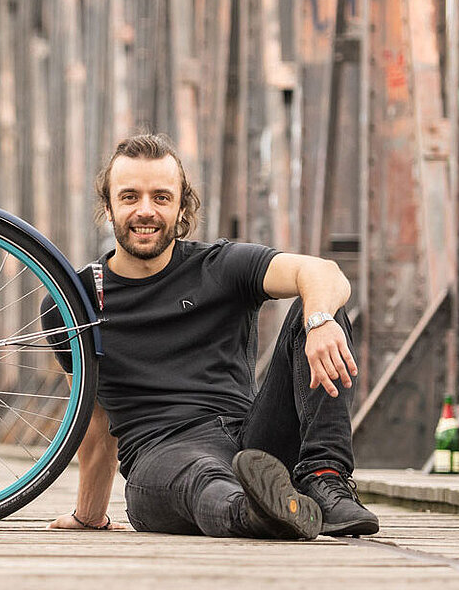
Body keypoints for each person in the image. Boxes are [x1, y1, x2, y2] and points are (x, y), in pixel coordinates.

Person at [42, 133, 379, 539]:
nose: (145, 211)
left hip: (250, 440)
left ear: (182, 205)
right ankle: (256, 513)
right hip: (161, 456)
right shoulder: (72, 302)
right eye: (130, 197)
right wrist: (89, 515)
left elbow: (323, 272)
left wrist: (320, 321)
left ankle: (325, 478)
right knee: (201, 476)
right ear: (108, 206)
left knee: (319, 305)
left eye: (161, 198)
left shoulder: (219, 266)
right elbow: (93, 422)